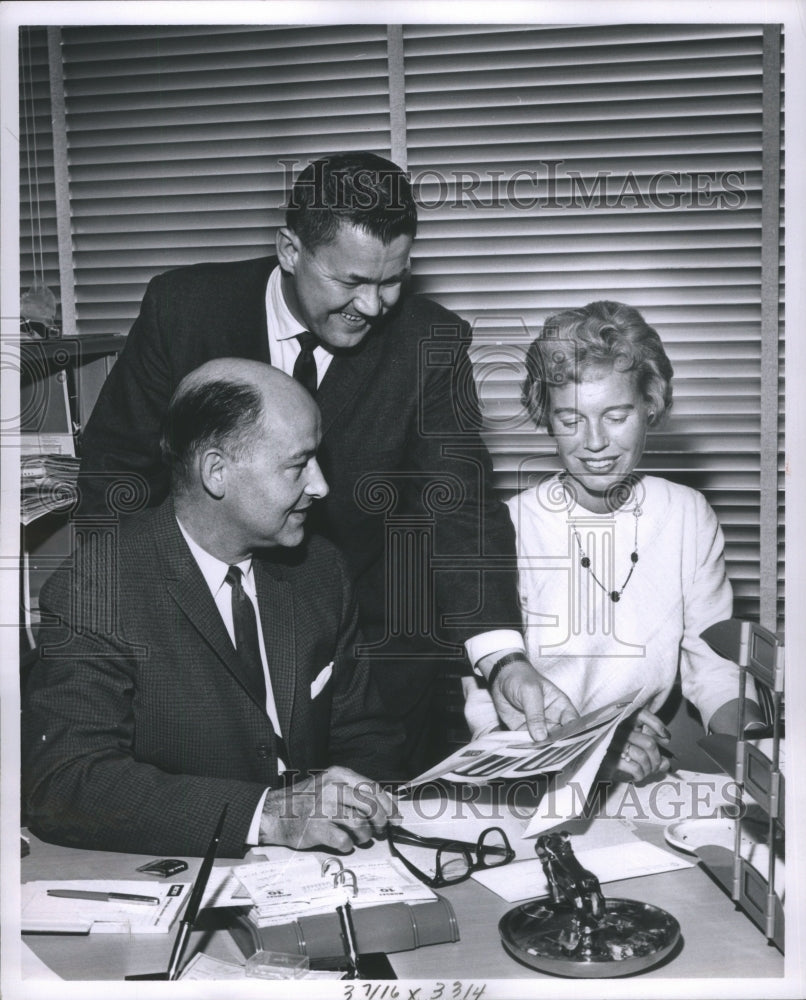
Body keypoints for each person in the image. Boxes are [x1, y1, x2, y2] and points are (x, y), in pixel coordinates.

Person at [75, 150, 577, 773]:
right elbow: (115, 472)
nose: (373, 306)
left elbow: (460, 506)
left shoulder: (430, 341)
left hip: (372, 659)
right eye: (351, 282)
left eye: (393, 279)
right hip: (196, 646)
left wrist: (502, 658)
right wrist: (114, 618)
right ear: (290, 250)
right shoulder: (184, 310)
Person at [22, 360, 401, 857]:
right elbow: (67, 783)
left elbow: (364, 734)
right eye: (298, 465)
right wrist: (264, 815)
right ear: (217, 472)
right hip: (182, 872)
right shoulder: (97, 587)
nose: (321, 486)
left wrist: (362, 806)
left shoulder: (320, 571)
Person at [463, 301, 760, 782]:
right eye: (570, 420)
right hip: (532, 776)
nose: (594, 442)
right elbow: (487, 714)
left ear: (650, 405)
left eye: (616, 415)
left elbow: (714, 669)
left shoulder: (687, 515)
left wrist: (761, 751)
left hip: (643, 770)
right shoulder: (505, 528)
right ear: (546, 417)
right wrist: (592, 746)